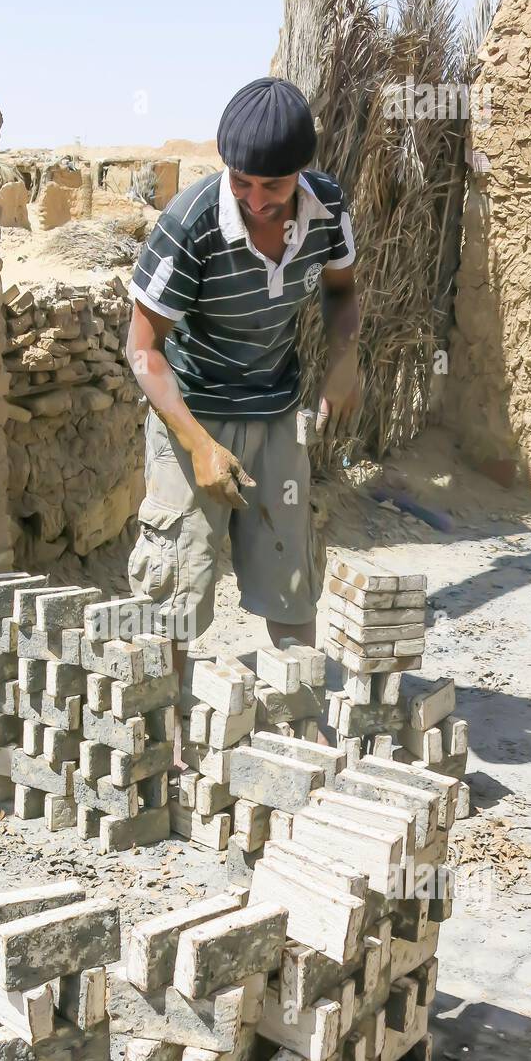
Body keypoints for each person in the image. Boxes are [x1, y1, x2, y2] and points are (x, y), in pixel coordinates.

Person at [127, 76, 360, 673]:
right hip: (193, 410)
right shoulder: (192, 225)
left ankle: (295, 731)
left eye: (274, 185)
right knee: (174, 590)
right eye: (241, 182)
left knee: (291, 578)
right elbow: (143, 349)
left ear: (301, 174)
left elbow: (340, 291)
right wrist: (198, 444)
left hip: (277, 413)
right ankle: (167, 746)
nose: (256, 200)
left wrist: (344, 361)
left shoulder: (328, 208)